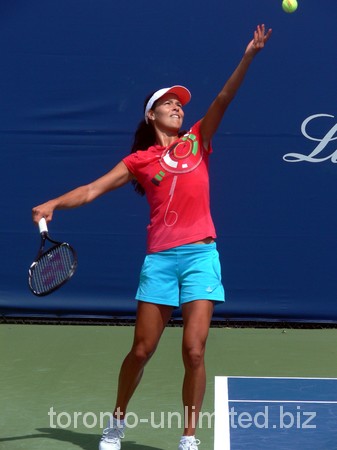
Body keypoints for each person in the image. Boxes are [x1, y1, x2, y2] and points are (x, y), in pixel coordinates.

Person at [32, 24, 272, 450]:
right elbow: (91, 190)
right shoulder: (140, 160)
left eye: (180, 104)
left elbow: (223, 98)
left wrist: (249, 55)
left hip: (201, 256)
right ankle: (117, 421)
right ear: (151, 114)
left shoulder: (198, 140)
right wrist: (53, 202)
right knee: (142, 350)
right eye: (169, 103)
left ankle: (188, 437)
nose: (178, 107)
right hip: (161, 259)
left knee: (194, 352)